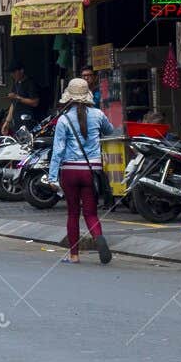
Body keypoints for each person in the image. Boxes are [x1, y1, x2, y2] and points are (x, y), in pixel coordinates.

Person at [49, 78, 112, 265]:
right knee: (91, 213)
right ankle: (98, 236)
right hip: (91, 170)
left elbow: (58, 150)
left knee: (73, 213)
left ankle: (74, 255)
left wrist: (52, 177)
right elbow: (109, 132)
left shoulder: (63, 119)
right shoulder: (98, 114)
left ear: (69, 97)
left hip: (70, 170)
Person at [2, 62, 39, 131]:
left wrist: (17, 97)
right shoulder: (16, 83)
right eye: (11, 73)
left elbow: (35, 102)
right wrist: (7, 122)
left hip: (28, 120)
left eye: (14, 72)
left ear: (21, 71)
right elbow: (13, 104)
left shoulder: (30, 83)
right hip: (16, 120)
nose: (12, 75)